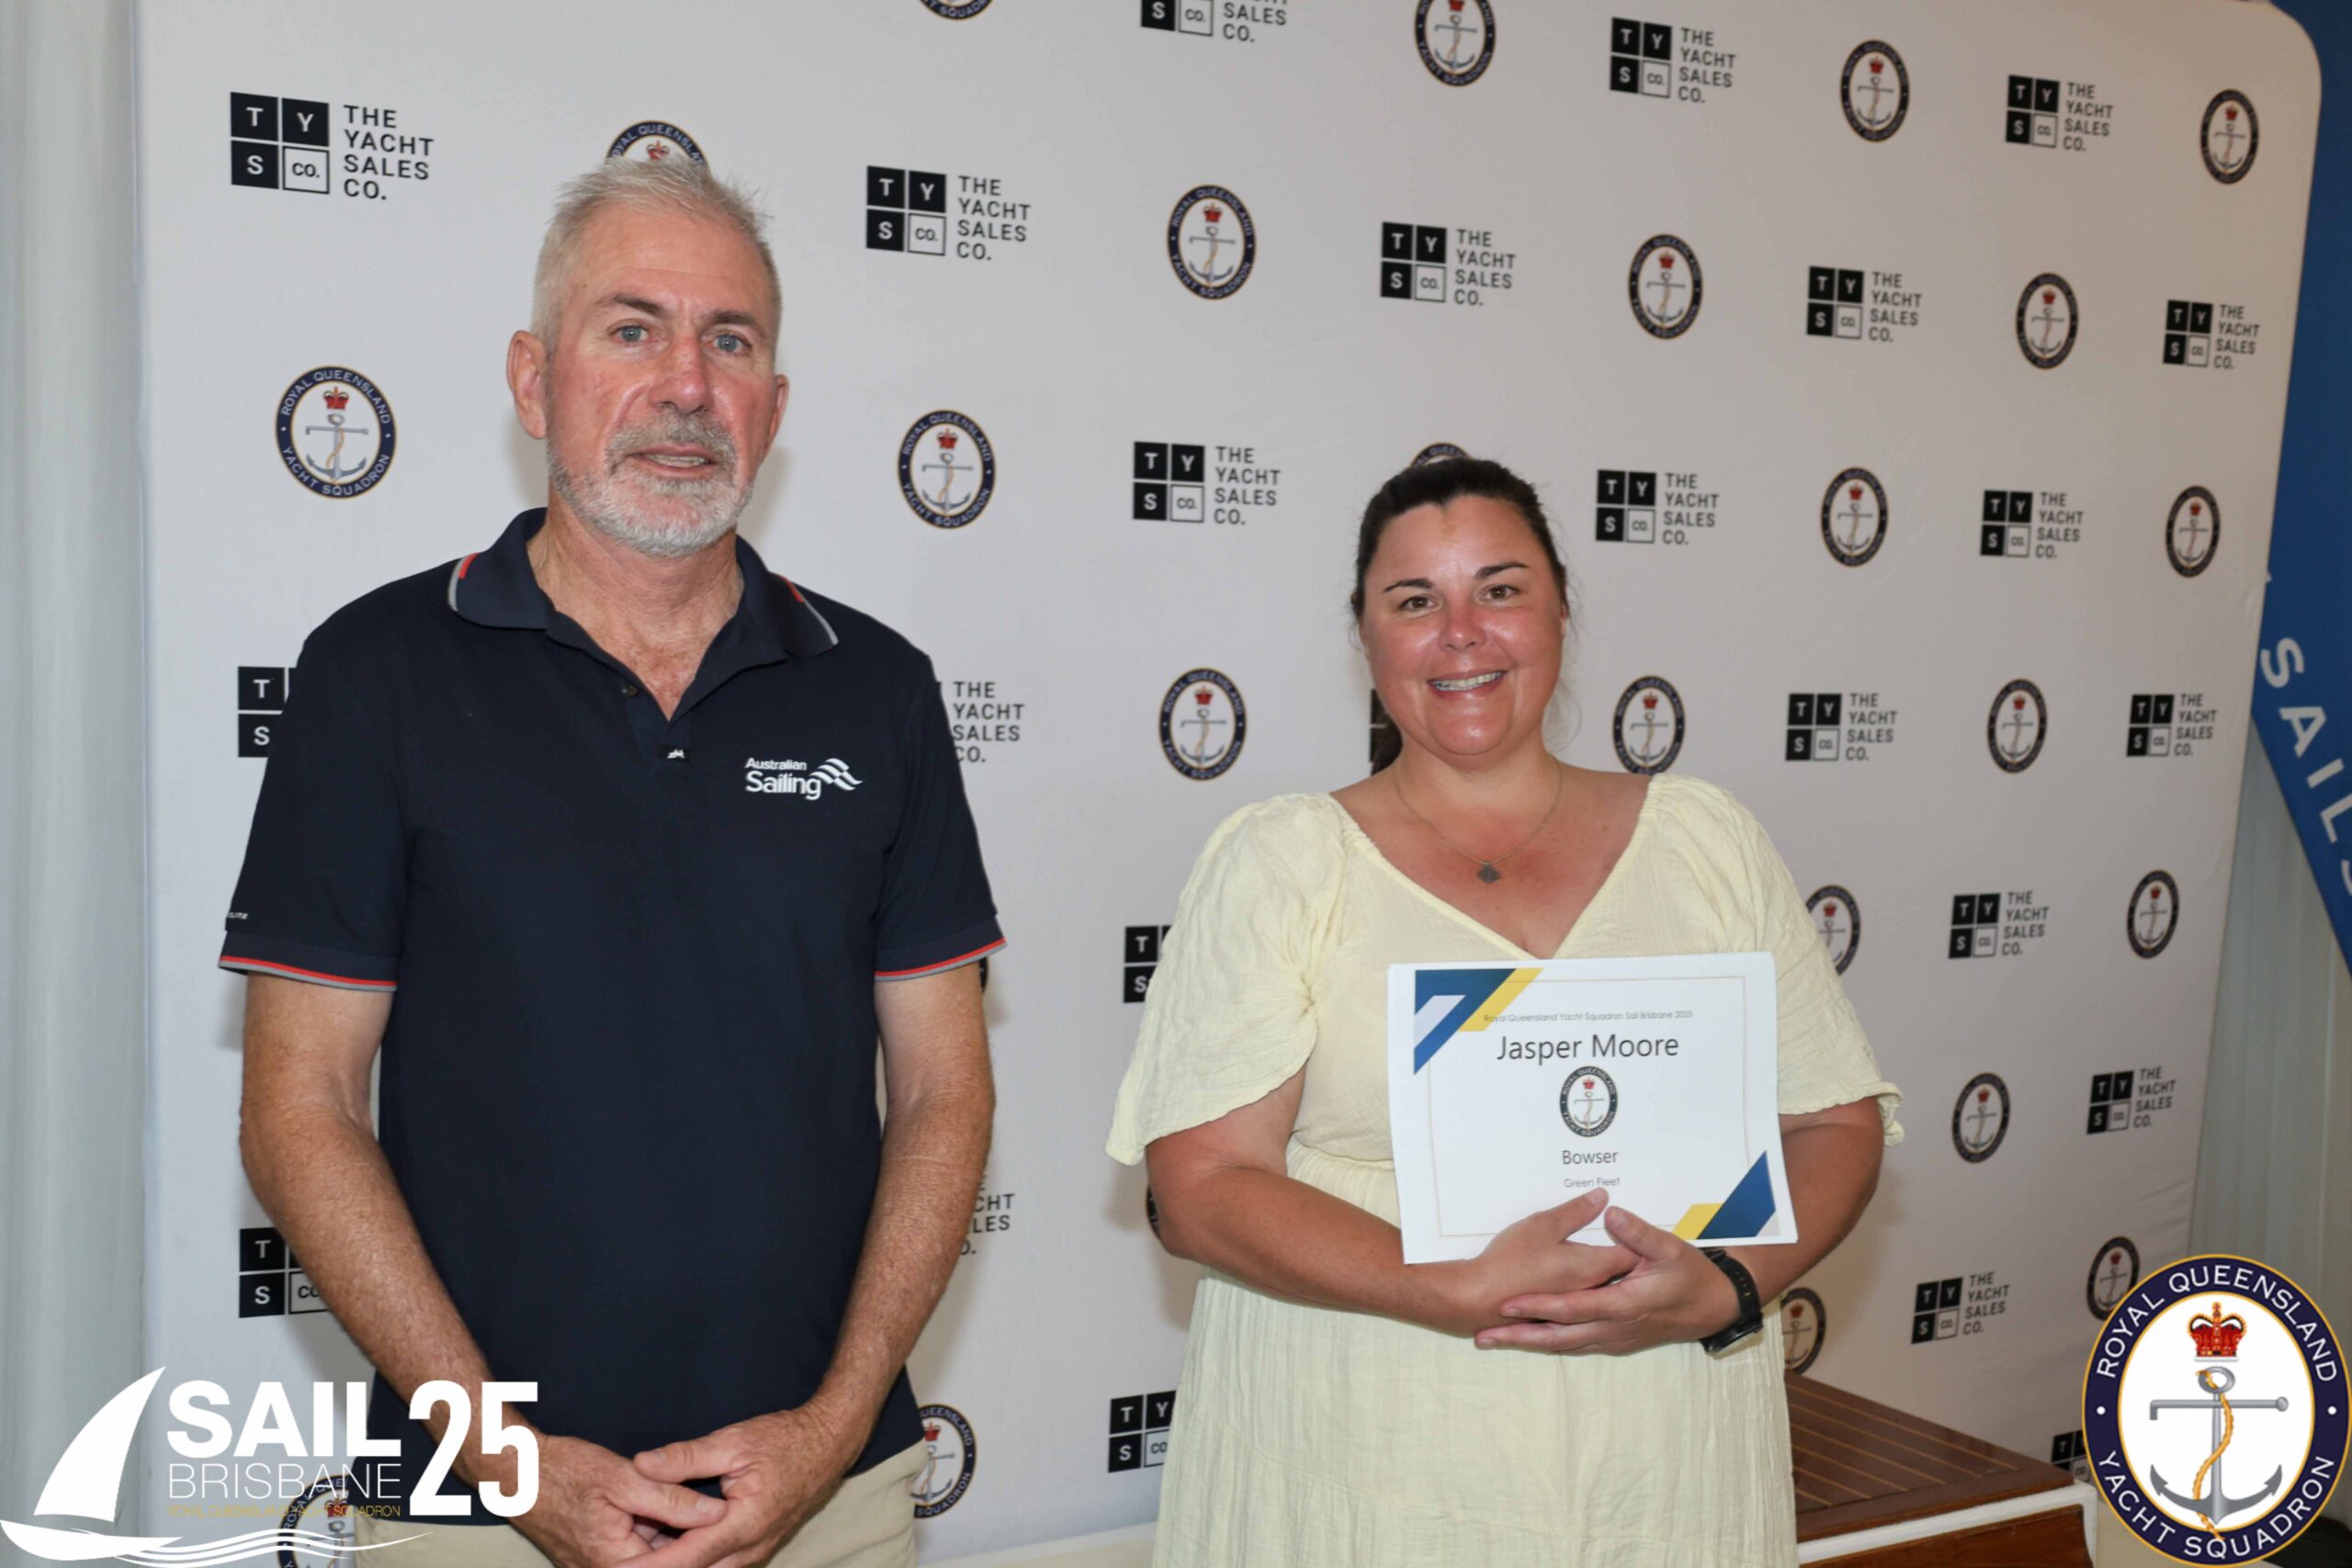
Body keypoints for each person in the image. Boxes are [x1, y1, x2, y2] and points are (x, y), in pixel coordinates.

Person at [223, 158, 1002, 1568]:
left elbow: (947, 1088)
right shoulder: (376, 671)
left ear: (775, 404)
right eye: (632, 328)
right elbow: (300, 1105)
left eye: (731, 341)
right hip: (473, 1507)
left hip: (829, 1494)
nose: (686, 385)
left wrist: (831, 1429)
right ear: (535, 382)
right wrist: (511, 1459)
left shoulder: (877, 686)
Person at [1108, 457, 1903, 1566]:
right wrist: (1448, 1283)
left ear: (1560, 608)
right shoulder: (1283, 862)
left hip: (1663, 1461)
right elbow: (1202, 1188)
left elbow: (1832, 1124)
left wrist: (1727, 1284)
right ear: (1365, 637)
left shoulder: (1705, 840)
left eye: (1499, 589)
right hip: (1367, 1453)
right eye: (1414, 601)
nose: (1461, 633)